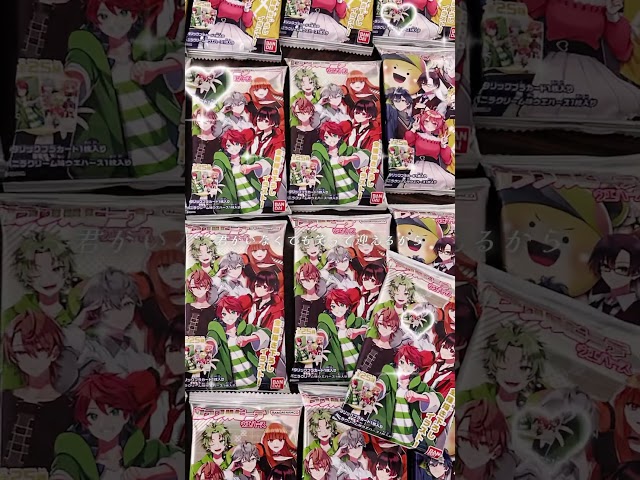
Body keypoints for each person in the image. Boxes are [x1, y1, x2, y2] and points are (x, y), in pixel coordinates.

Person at [65, 0, 183, 178]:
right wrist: (71, 81)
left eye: (123, 13)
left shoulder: (147, 48)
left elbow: (191, 56)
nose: (114, 23)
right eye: (104, 16)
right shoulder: (93, 54)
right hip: (121, 161)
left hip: (165, 150)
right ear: (95, 20)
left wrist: (157, 68)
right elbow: (79, 65)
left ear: (134, 16)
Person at [49, 373, 182, 480]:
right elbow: (62, 472)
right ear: (85, 421)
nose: (104, 424)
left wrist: (150, 474)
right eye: (94, 416)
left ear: (126, 415)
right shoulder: (74, 456)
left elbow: (189, 463)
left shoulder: (147, 450)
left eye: (113, 412)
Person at [1, 312, 75, 468]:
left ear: (54, 352)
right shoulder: (5, 399)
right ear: (14, 356)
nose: (30, 359)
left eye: (39, 349)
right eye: (21, 352)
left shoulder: (67, 407)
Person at [371, 345, 442, 447]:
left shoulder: (418, 385)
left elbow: (438, 400)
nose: (405, 367)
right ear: (397, 362)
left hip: (409, 435)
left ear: (415, 367)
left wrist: (418, 397)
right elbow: (382, 382)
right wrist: (377, 388)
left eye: (411, 364)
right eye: (402, 362)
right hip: (389, 433)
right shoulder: (390, 377)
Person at [588, 233, 640, 324]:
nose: (611, 274)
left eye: (621, 269)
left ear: (636, 273)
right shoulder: (597, 300)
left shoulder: (636, 309)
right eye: (605, 266)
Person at [317, 288, 366, 378]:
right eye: (333, 306)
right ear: (330, 308)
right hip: (341, 368)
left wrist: (358, 331)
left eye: (341, 305)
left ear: (347, 306)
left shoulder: (355, 321)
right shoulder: (327, 323)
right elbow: (322, 332)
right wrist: (319, 341)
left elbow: (371, 327)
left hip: (359, 365)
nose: (338, 309)